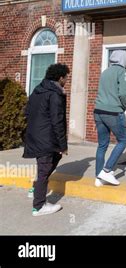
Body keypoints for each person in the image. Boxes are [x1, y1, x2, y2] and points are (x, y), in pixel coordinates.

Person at [23, 63, 70, 216]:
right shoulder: (55, 94)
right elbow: (57, 120)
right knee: (44, 168)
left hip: (36, 135)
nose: (66, 81)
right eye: (66, 78)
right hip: (46, 137)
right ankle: (39, 206)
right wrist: (63, 145)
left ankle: (36, 188)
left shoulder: (38, 89)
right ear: (60, 77)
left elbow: (27, 111)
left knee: (54, 158)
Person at [94, 50, 126, 187]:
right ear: (123, 59)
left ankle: (98, 178)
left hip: (98, 111)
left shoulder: (105, 72)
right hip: (113, 112)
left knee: (102, 144)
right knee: (123, 140)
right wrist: (124, 107)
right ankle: (107, 170)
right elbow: (123, 94)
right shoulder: (124, 73)